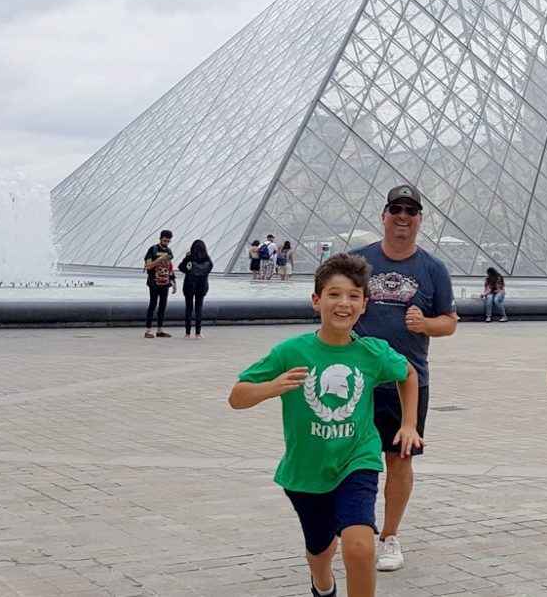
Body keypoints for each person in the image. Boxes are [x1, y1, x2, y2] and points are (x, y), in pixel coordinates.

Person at [228, 253, 423, 597]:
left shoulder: (372, 352)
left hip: (356, 460)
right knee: (320, 552)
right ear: (316, 301)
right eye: (334, 294)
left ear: (365, 304)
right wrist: (271, 388)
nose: (343, 303)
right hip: (306, 471)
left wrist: (409, 425)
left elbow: (407, 373)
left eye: (353, 296)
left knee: (359, 547)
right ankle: (322, 584)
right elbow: (237, 395)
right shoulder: (291, 351)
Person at [351, 184, 457, 572]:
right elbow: (334, 301)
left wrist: (426, 323)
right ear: (383, 215)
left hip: (406, 383)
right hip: (355, 378)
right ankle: (352, 527)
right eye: (396, 208)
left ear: (419, 220)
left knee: (399, 459)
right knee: (348, 457)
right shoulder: (357, 261)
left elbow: (449, 323)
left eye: (411, 211)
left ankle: (389, 536)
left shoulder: (433, 269)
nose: (403, 216)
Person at [143, 230, 176, 338]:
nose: (166, 243)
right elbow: (148, 266)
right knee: (153, 305)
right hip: (154, 281)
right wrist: (159, 259)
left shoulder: (169, 251)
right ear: (160, 238)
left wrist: (173, 281)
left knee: (163, 306)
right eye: (164, 240)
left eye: (168, 241)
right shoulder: (153, 249)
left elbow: (170, 267)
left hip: (165, 282)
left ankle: (160, 330)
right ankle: (148, 330)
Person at [178, 240, 213, 338]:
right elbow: (209, 268)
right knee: (199, 308)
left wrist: (186, 258)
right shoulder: (207, 259)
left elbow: (181, 268)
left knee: (188, 308)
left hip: (189, 285)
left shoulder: (190, 258)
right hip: (202, 286)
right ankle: (198, 333)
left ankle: (187, 333)